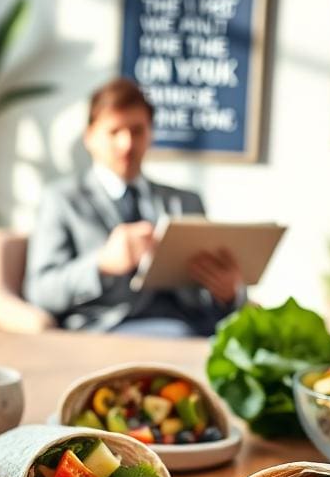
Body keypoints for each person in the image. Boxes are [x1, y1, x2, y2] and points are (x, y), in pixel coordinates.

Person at [24, 77, 244, 336]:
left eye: (137, 130)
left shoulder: (185, 202)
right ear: (90, 137)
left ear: (151, 134)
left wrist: (231, 293)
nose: (127, 144)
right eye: (114, 132)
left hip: (187, 331)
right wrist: (102, 264)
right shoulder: (61, 200)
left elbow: (208, 300)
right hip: (105, 334)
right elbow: (41, 291)